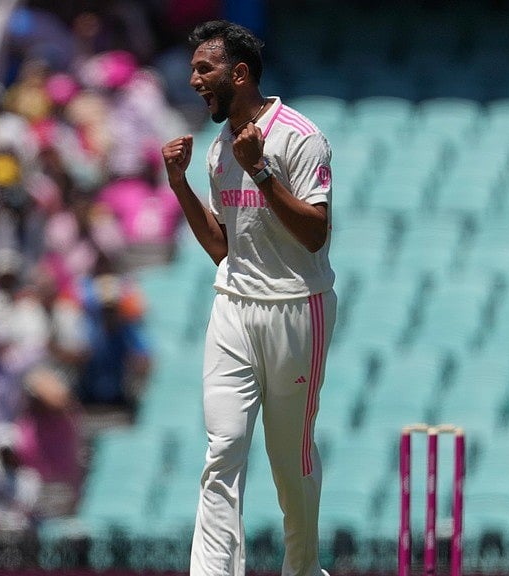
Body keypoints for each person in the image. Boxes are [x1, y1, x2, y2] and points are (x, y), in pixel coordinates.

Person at [161, 20, 335, 576]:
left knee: (289, 461)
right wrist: (180, 186)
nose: (193, 81)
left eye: (204, 69)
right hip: (234, 304)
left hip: (296, 305)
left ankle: (303, 568)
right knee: (224, 446)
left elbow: (314, 234)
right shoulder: (216, 152)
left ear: (239, 73)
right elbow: (223, 248)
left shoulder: (299, 137)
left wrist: (260, 168)